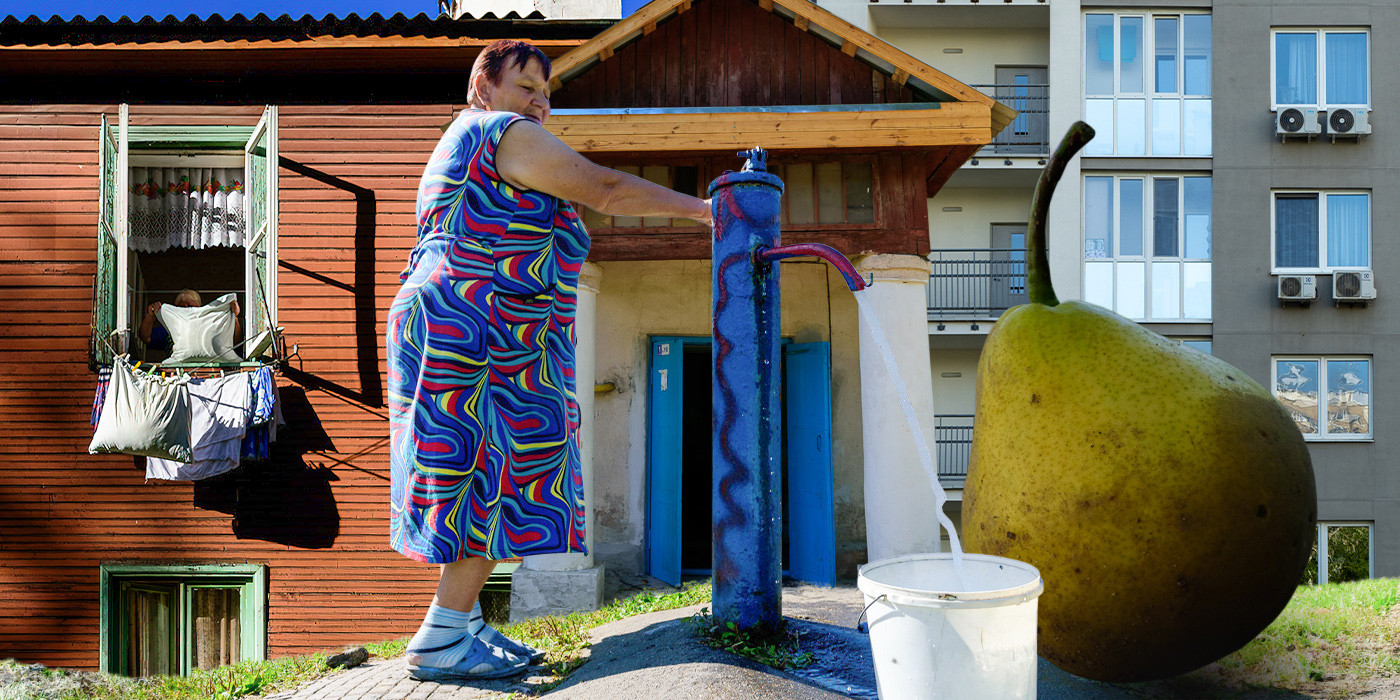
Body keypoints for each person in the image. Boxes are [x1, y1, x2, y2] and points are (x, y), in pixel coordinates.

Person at [387, 39, 712, 682]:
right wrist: (705, 211)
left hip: (476, 318)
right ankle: (441, 639)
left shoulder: (469, 139)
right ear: (484, 87)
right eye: (525, 86)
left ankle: (466, 621)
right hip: (478, 327)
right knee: (492, 466)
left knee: (488, 467)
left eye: (545, 92)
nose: (538, 102)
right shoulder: (498, 129)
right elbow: (604, 188)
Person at [137, 289, 241, 357]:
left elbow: (235, 342)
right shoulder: (170, 329)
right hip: (177, 376)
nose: (187, 310)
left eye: (190, 306)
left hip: (210, 375)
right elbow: (146, 337)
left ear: (200, 307)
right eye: (181, 307)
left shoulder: (212, 323)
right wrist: (150, 316)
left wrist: (233, 318)